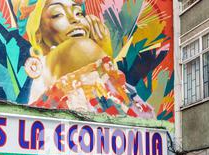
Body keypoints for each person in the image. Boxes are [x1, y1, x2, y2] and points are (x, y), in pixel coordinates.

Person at [13, 0, 154, 117]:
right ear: (38, 34)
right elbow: (135, 113)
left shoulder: (40, 78)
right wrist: (105, 51)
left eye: (79, 13)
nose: (75, 19)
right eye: (57, 14)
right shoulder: (79, 47)